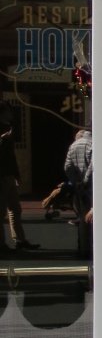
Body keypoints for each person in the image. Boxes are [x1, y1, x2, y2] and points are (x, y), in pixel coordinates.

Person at [0, 105, 38, 253]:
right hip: (1, 176)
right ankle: (1, 244)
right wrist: (1, 140)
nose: (11, 113)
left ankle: (20, 240)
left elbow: (11, 156)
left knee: (15, 209)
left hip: (9, 175)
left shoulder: (9, 128)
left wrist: (16, 174)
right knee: (1, 212)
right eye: (8, 111)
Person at [65, 125, 93, 258]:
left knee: (82, 219)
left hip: (80, 188)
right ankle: (91, 249)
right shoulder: (93, 144)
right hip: (91, 187)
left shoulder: (74, 145)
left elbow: (68, 166)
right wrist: (85, 181)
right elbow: (93, 166)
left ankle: (82, 248)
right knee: (92, 218)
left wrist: (76, 181)